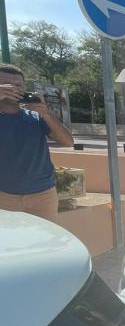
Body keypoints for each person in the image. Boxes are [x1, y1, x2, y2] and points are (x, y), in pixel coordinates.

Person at [0, 63, 74, 222]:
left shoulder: (35, 117)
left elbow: (68, 142)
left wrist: (46, 114)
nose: (13, 89)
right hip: (4, 195)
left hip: (43, 195)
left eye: (18, 85)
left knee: (45, 237)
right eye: (6, 85)